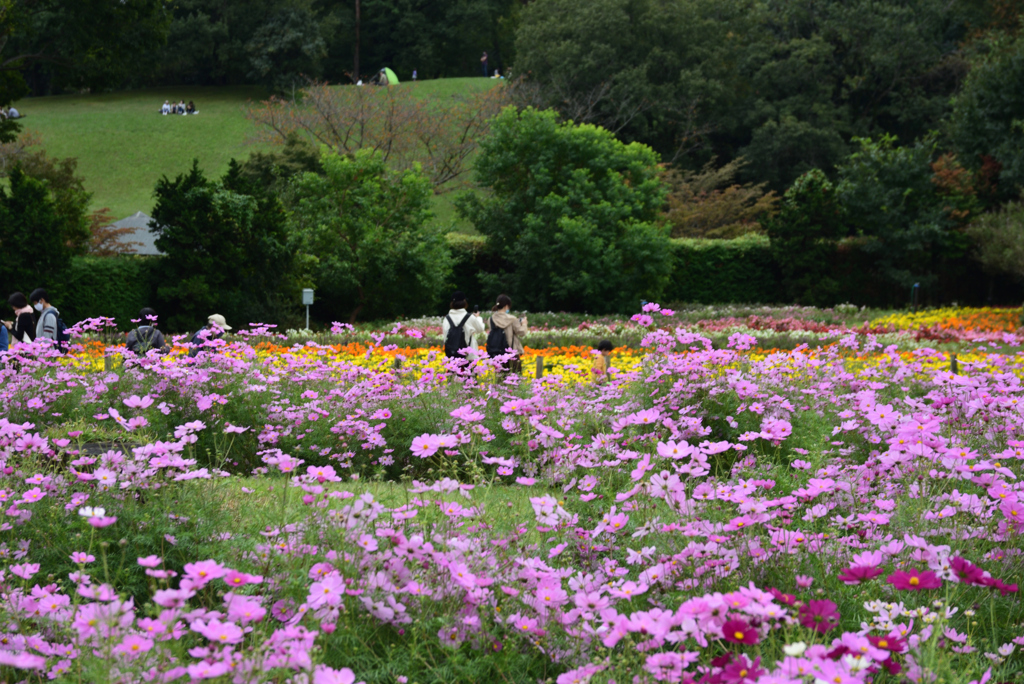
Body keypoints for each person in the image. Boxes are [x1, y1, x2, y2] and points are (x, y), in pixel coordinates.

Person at [486, 294, 527, 372]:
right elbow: (521, 332)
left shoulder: (491, 319)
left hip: (497, 354)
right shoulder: (512, 319)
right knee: (515, 380)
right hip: (511, 354)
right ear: (506, 306)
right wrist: (524, 324)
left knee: (500, 380)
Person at [441, 291, 485, 360]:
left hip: (452, 357)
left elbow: (445, 336)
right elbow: (480, 329)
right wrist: (478, 318)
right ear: (464, 302)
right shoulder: (469, 317)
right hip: (469, 357)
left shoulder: (446, 318)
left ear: (452, 303)